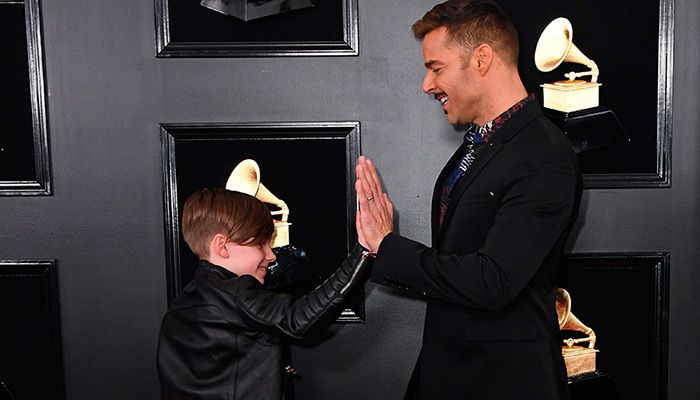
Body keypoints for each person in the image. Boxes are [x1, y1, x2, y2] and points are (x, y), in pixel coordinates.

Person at [355, 0, 582, 399]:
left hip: (503, 382)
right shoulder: (478, 144)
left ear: (481, 59)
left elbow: (492, 281)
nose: (427, 85)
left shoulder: (543, 154)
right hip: (450, 370)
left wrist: (389, 247)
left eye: (435, 67)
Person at [157, 188, 374, 399]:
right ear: (222, 246)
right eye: (261, 244)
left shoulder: (180, 306)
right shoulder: (236, 293)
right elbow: (299, 318)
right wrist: (363, 251)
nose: (271, 255)